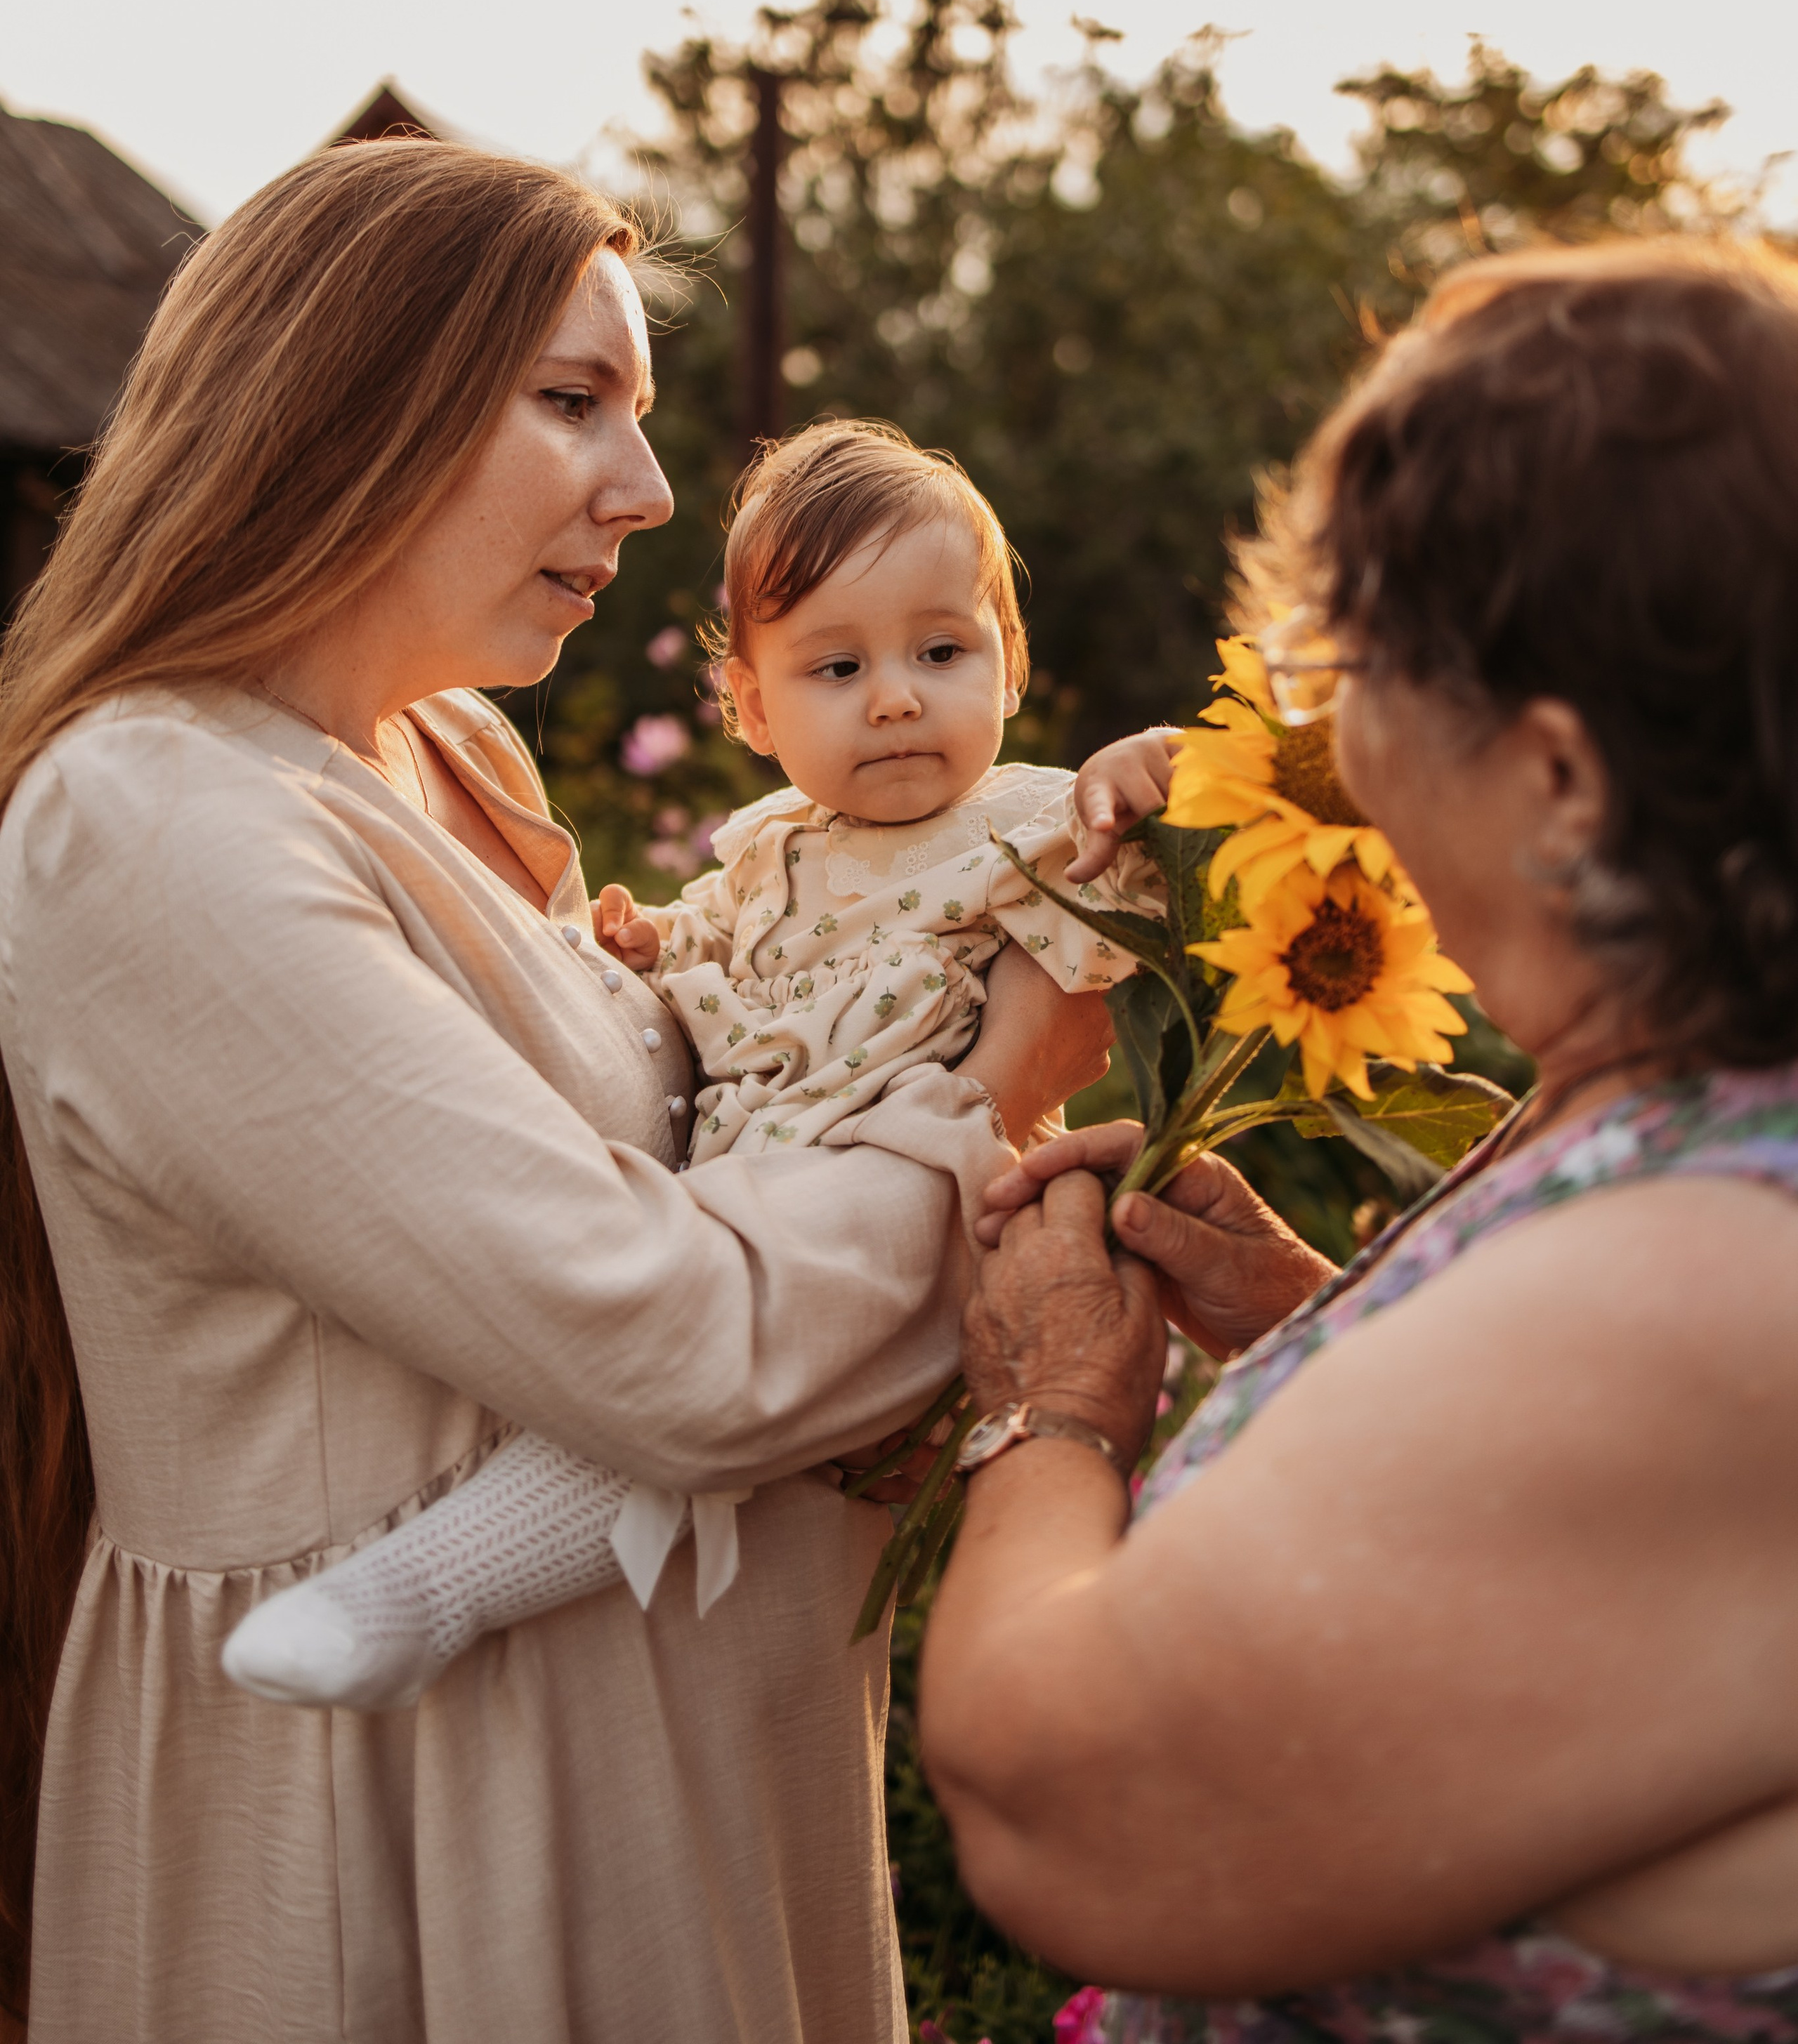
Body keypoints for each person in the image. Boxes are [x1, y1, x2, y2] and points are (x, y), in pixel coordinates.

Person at [0, 138, 1111, 2044]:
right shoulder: (151, 821)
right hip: (412, 1817)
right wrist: (1003, 1083)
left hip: (680, 1785)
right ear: (354, 398)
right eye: (575, 402)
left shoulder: (450, 757)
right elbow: (673, 1337)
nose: (652, 490)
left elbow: (703, 1146)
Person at [919, 237, 1798, 2043]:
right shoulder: (1695, 1125)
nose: (1333, 741)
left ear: (1556, 779)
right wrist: (1312, 1325)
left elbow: (1062, 1802)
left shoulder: (1708, 1275)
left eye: (1362, 665)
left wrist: (1054, 1405)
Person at [221, 417, 1178, 1713]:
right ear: (752, 709)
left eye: (942, 651)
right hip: (760, 1189)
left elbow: (1130, 882)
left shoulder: (1027, 819)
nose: (898, 695)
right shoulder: (774, 845)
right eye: (838, 667)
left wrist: (1142, 776)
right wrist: (641, 944)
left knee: (680, 1387)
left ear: (1010, 666)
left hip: (924, 1191)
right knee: (656, 1389)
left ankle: (431, 1590)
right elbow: (712, 957)